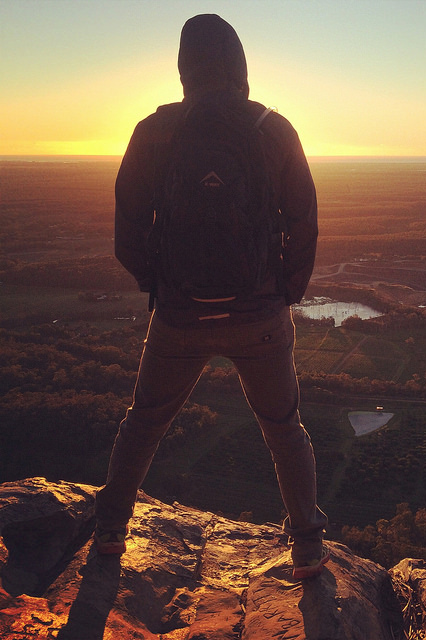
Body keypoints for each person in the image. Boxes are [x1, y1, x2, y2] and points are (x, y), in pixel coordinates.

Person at [95, 14, 328, 579]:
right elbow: (304, 224)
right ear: (241, 64)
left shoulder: (154, 130)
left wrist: (166, 286)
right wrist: (283, 293)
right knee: (284, 429)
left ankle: (107, 538)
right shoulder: (274, 128)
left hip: (180, 317)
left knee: (144, 421)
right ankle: (308, 550)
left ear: (184, 66)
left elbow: (127, 233)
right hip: (261, 317)